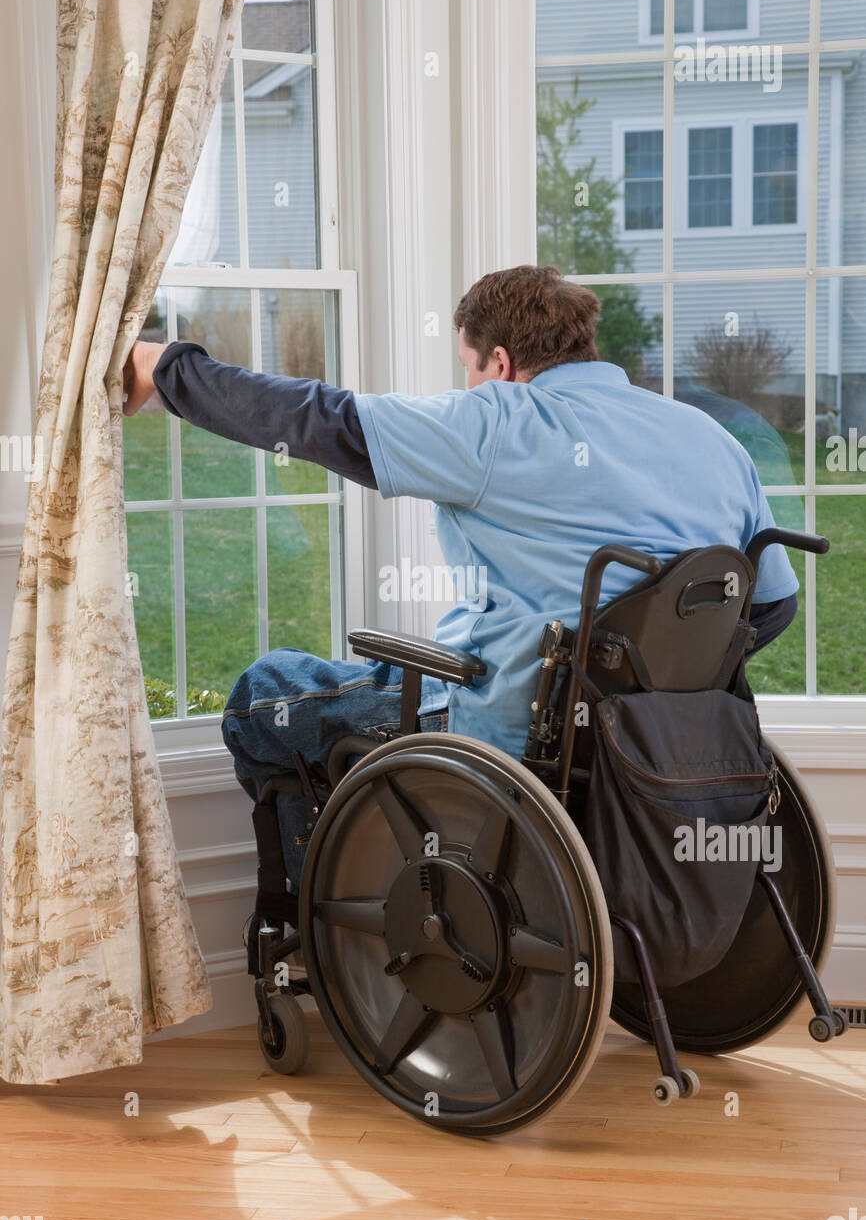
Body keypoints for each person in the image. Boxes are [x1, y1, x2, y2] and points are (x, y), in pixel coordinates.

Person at [123, 265, 799, 891]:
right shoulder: (711, 439)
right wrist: (657, 693)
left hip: (509, 728)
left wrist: (169, 369)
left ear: (499, 364)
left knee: (262, 696)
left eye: (470, 368)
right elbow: (772, 606)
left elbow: (317, 419)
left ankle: (341, 941)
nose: (470, 384)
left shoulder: (497, 419)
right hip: (653, 740)